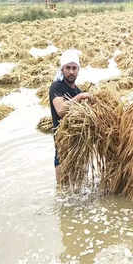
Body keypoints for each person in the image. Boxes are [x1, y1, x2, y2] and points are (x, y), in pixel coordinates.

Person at [49, 49, 90, 185]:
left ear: (78, 70)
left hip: (79, 147)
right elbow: (61, 110)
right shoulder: (56, 87)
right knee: (63, 190)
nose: (71, 72)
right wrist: (79, 97)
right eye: (68, 68)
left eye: (74, 68)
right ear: (62, 69)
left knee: (79, 187)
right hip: (63, 146)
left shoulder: (78, 91)